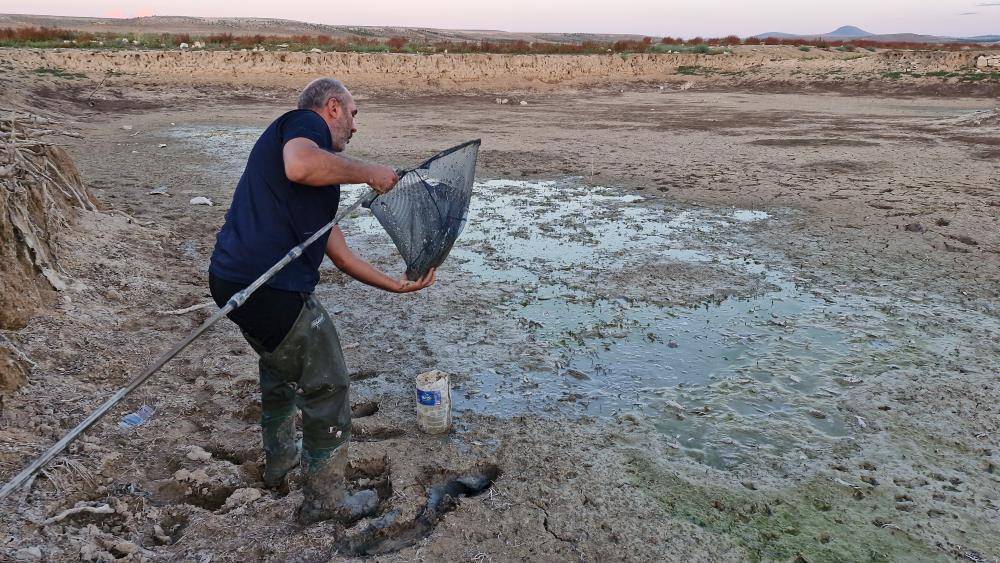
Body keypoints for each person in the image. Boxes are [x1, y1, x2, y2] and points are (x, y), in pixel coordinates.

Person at [208, 77, 436, 525]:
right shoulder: (303, 127)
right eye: (353, 114)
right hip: (267, 286)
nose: (355, 126)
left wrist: (394, 284)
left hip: (232, 282)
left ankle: (279, 466)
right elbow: (301, 165)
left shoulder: (313, 182)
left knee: (279, 369)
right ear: (331, 108)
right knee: (327, 383)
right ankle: (325, 499)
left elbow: (338, 249)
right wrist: (369, 171)